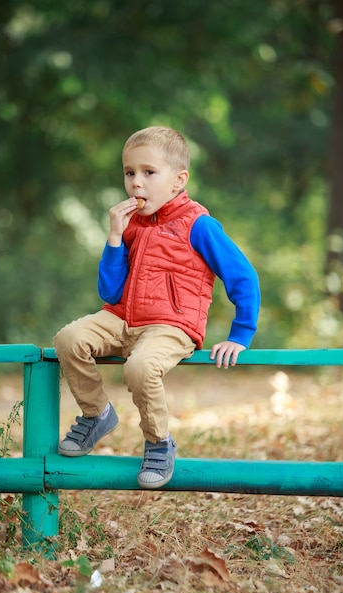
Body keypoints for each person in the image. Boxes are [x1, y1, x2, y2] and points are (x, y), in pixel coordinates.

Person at [54, 126, 260, 489]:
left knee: (141, 366)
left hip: (171, 326)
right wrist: (115, 238)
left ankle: (158, 442)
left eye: (149, 173)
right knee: (69, 338)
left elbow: (243, 276)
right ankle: (96, 414)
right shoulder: (131, 225)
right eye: (129, 173)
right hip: (122, 318)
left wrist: (240, 335)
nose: (136, 183)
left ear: (179, 180)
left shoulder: (200, 225)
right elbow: (110, 291)